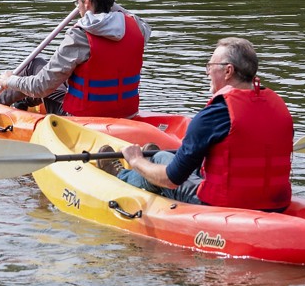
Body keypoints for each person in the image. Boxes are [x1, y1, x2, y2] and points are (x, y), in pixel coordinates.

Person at [110, 37, 293, 211]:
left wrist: (135, 160)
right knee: (173, 158)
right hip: (276, 205)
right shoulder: (279, 107)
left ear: (228, 71)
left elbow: (171, 180)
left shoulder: (214, 115)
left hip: (222, 206)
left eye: (210, 66)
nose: (207, 72)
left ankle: (122, 175)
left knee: (161, 158)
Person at [0, 0, 150, 117]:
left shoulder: (80, 35)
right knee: (59, 72)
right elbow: (127, 15)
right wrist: (104, 1)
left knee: (34, 66)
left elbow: (41, 86)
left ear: (86, 1)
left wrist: (9, 80)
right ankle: (23, 101)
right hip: (127, 112)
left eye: (77, 2)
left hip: (81, 117)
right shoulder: (138, 27)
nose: (77, 8)